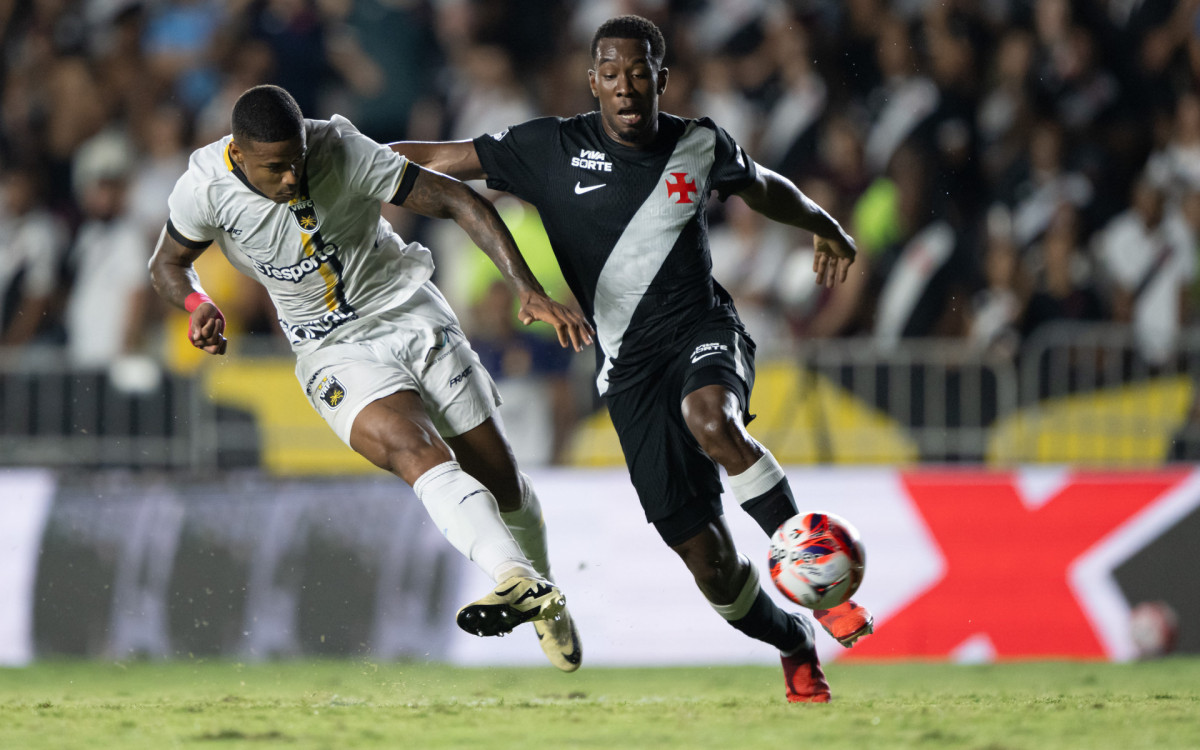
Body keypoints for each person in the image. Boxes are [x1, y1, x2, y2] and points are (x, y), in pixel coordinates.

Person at [392, 15, 870, 702]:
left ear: (661, 78)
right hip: (627, 372)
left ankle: (823, 590)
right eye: (611, 73)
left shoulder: (699, 143)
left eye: (640, 71)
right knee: (712, 568)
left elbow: (762, 184)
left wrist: (823, 223)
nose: (626, 86)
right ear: (592, 82)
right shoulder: (551, 149)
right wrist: (346, 163)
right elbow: (443, 158)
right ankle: (794, 639)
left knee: (714, 420)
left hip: (702, 326)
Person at [148, 84, 594, 672]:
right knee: (412, 449)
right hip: (328, 347)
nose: (289, 178)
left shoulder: (340, 148)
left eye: (296, 161)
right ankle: (514, 577)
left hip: (408, 308)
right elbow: (167, 264)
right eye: (273, 168)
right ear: (238, 152)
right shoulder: (204, 189)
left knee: (502, 482)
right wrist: (196, 304)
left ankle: (545, 597)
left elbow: (460, 200)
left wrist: (526, 289)